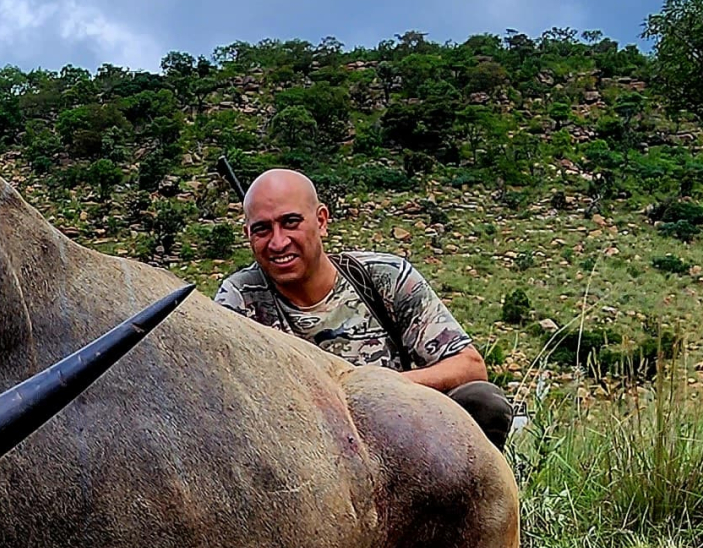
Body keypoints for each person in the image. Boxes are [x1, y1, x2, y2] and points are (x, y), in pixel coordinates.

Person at [216, 169, 515, 448]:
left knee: (482, 402)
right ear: (247, 234)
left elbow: (469, 366)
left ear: (321, 221)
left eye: (291, 222)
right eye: (262, 229)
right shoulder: (238, 300)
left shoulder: (383, 278)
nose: (278, 242)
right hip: (300, 445)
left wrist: (372, 391)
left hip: (397, 435)